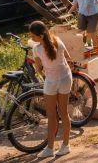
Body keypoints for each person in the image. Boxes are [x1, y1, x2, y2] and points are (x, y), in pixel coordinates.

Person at [28, 20, 72, 158]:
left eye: (33, 37)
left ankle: (50, 148)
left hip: (52, 81)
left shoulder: (36, 48)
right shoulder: (58, 40)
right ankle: (66, 146)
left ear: (40, 36)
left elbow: (38, 69)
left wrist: (44, 73)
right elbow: (68, 58)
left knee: (51, 115)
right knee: (64, 113)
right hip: (65, 78)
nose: (31, 39)